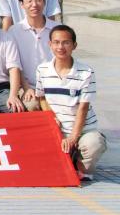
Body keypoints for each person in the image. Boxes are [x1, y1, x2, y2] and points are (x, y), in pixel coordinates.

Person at [36, 25, 108, 181]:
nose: (60, 47)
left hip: (82, 130)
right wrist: (51, 116)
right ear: (50, 45)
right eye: (56, 42)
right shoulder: (42, 70)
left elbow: (83, 108)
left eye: (66, 42)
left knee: (94, 144)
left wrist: (73, 138)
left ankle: (80, 166)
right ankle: (70, 159)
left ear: (74, 45)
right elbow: (41, 98)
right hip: (57, 130)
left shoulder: (86, 72)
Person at [11, 0, 60, 113]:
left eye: (38, 0)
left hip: (54, 84)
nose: (34, 5)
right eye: (29, 1)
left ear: (44, 2)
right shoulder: (14, 31)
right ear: (22, 5)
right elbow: (15, 64)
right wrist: (26, 87)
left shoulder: (57, 29)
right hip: (27, 86)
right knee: (31, 106)